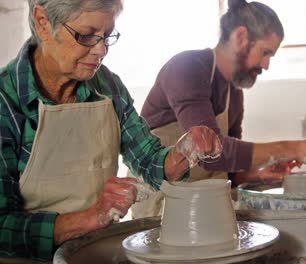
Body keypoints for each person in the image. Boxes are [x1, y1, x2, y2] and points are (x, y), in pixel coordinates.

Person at [0, 0, 222, 261]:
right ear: (43, 22)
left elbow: (150, 163)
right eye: (86, 36)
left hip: (96, 253)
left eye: (107, 36)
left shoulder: (108, 86)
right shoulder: (6, 101)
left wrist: (185, 152)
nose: (101, 49)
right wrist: (91, 217)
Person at [131, 0, 306, 219]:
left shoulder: (234, 94)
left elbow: (226, 170)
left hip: (205, 204)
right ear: (241, 37)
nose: (266, 65)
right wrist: (295, 148)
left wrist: (255, 174)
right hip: (161, 206)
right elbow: (210, 152)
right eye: (265, 53)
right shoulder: (187, 68)